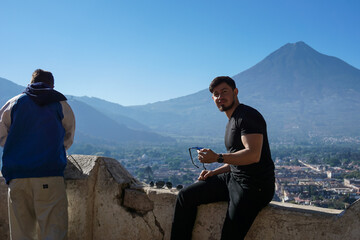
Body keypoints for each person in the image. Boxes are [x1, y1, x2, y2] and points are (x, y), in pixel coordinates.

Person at [170, 76, 275, 240]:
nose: (220, 97)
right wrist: (215, 172)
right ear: (213, 99)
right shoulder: (232, 119)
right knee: (185, 196)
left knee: (229, 236)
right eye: (216, 94)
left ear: (235, 92)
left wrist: (217, 157)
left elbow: (253, 155)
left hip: (254, 187)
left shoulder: (247, 116)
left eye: (224, 92)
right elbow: (236, 159)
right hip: (233, 178)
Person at [0, 69, 75, 240]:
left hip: (17, 176)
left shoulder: (14, 103)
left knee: (21, 234)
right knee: (53, 232)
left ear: (30, 82)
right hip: (49, 175)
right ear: (52, 85)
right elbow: (68, 136)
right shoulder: (60, 103)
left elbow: (1, 133)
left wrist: (17, 146)